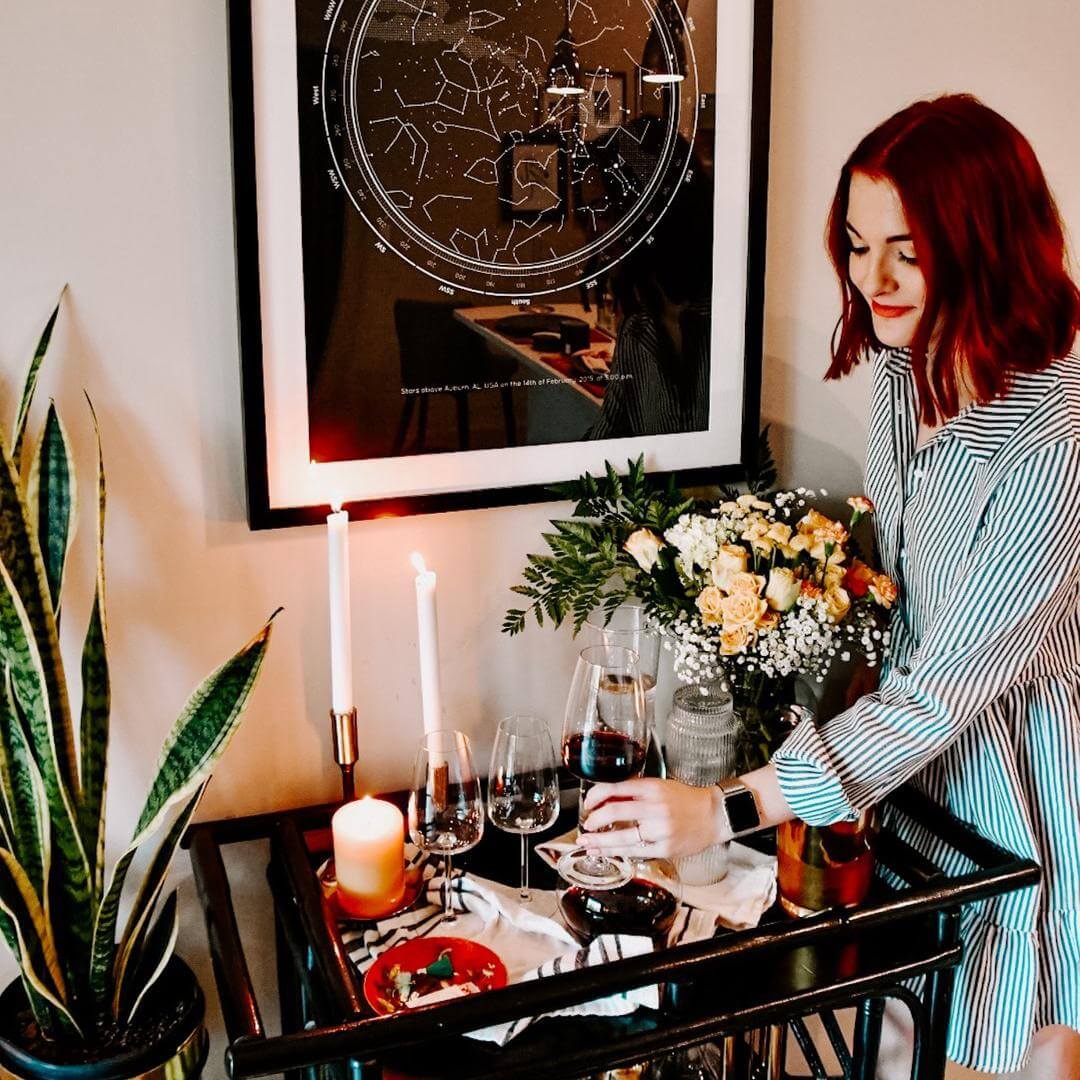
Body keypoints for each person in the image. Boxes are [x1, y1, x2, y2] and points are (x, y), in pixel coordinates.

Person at [580, 95, 1080, 1079]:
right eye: (856, 245)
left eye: (907, 251)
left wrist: (729, 806)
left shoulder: (1055, 443)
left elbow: (941, 690)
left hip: (1029, 801)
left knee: (1018, 1046)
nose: (872, 278)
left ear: (988, 246)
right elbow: (902, 608)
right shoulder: (903, 375)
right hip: (908, 792)